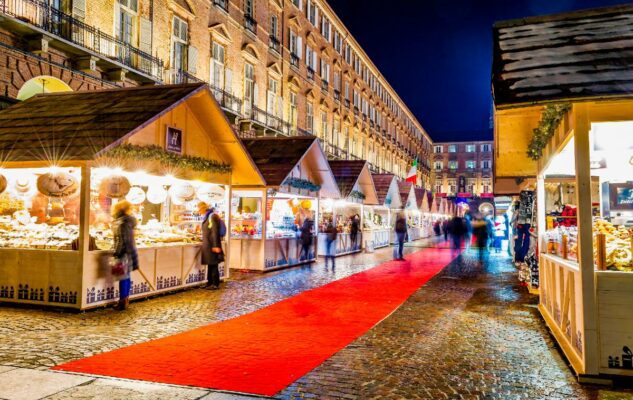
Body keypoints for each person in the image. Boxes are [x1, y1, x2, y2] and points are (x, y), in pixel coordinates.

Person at [111, 200, 139, 311]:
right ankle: (125, 300)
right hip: (128, 252)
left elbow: (123, 240)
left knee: (123, 278)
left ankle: (122, 301)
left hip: (123, 253)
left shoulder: (122, 222)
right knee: (126, 277)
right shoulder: (127, 221)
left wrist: (116, 253)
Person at [199, 202, 223, 290]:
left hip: (212, 244)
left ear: (203, 208)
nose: (198, 211)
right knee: (210, 264)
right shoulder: (207, 216)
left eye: (199, 209)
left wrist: (216, 245)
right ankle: (209, 282)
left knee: (213, 264)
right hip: (208, 244)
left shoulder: (212, 216)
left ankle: (215, 283)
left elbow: (214, 231)